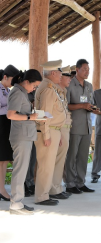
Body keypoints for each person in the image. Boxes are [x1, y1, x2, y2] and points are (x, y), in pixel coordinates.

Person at [7, 69, 43, 215]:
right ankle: (15, 204)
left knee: (22, 170)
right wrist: (30, 117)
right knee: (20, 170)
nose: (34, 89)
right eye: (34, 86)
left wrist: (32, 115)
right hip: (21, 136)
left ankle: (18, 202)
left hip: (25, 135)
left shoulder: (23, 92)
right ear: (26, 81)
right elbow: (11, 115)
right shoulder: (17, 92)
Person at [34, 60, 67, 205]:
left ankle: (47, 192)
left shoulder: (51, 87)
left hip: (54, 130)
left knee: (49, 165)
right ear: (53, 73)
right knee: (45, 166)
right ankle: (41, 196)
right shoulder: (48, 89)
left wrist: (57, 132)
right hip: (47, 131)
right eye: (60, 73)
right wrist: (47, 135)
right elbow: (43, 114)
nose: (61, 76)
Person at [65, 59, 95, 194]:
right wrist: (82, 106)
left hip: (87, 126)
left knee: (83, 156)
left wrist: (92, 108)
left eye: (88, 69)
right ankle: (70, 183)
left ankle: (80, 182)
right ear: (77, 70)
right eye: (84, 69)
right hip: (74, 126)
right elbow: (66, 105)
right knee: (72, 155)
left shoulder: (89, 86)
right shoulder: (69, 85)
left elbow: (91, 103)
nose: (87, 71)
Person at [0, 65, 20, 201]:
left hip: (7, 124)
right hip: (0, 123)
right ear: (5, 77)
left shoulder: (8, 90)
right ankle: (1, 189)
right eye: (12, 79)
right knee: (1, 159)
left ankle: (1, 189)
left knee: (5, 159)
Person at [55, 65, 72, 195]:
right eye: (67, 77)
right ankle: (55, 189)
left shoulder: (62, 92)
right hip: (59, 130)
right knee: (57, 161)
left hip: (65, 129)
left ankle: (57, 187)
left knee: (61, 161)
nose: (70, 79)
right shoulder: (55, 91)